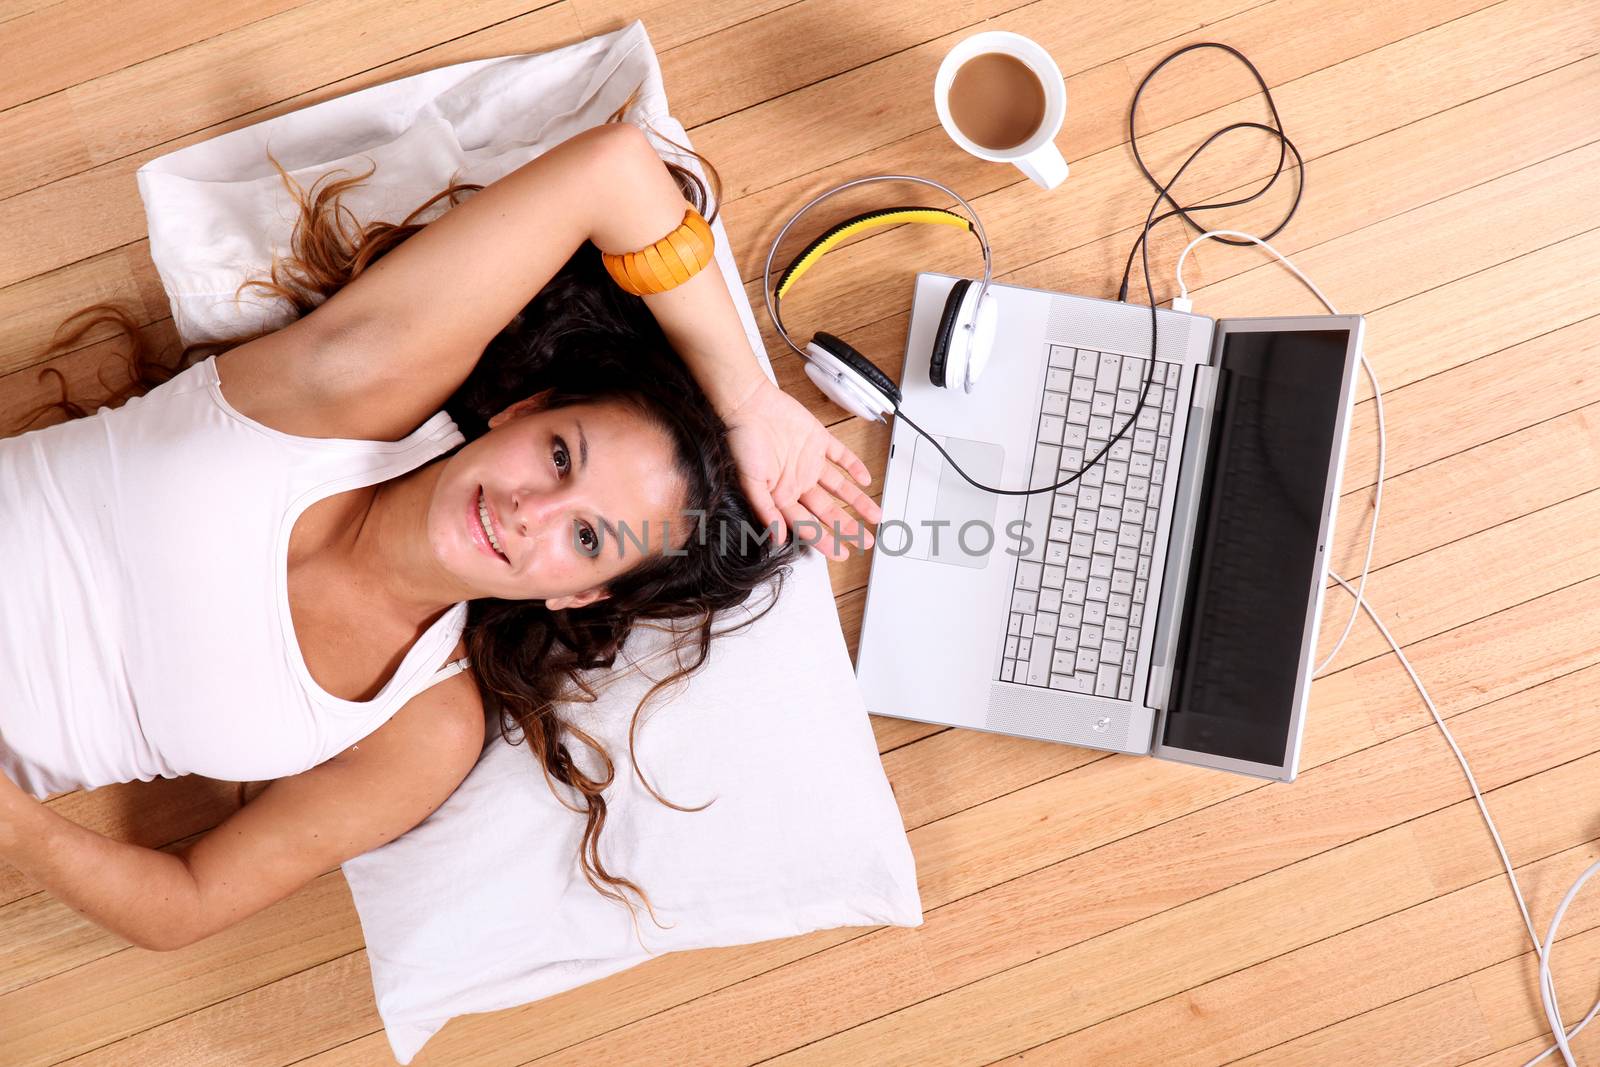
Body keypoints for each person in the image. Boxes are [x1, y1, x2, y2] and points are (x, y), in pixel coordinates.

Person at [0, 120, 882, 950]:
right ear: (521, 410)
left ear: (579, 593)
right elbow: (616, 171)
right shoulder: (351, 386)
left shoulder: (423, 726)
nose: (529, 511)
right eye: (560, 455)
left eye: (585, 539)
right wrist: (746, 400)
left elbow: (185, 902)